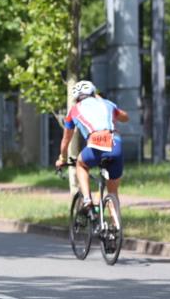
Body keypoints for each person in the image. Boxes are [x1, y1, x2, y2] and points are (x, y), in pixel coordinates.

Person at [55, 80, 130, 212]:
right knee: (113, 192)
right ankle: (115, 223)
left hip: (96, 144)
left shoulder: (74, 111)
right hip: (116, 145)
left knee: (81, 164)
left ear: (76, 98)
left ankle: (87, 199)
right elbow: (125, 117)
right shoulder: (107, 104)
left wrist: (62, 158)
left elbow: (66, 140)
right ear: (94, 93)